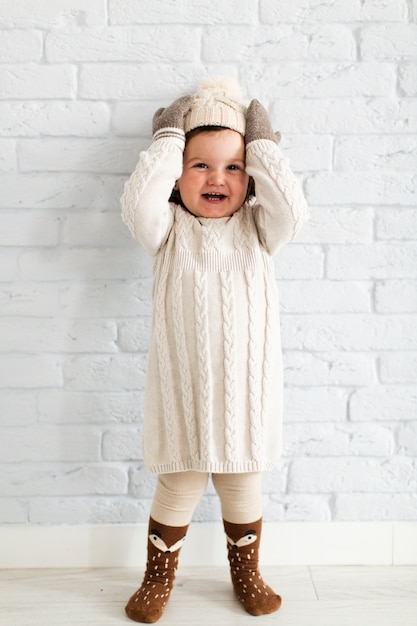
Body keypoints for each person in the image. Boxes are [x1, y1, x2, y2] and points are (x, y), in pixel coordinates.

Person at [120, 76, 309, 623]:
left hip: (243, 397)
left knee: (241, 486)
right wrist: (166, 138)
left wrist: (264, 145)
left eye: (232, 166)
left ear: (250, 178)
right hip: (181, 392)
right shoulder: (167, 230)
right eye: (199, 164)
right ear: (177, 175)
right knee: (176, 484)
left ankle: (246, 574)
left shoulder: (260, 229)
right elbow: (137, 206)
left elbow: (293, 211)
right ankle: (158, 579)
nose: (216, 177)